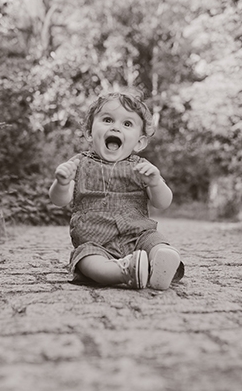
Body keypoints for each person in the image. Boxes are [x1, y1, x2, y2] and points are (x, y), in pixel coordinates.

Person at [49, 91, 184, 290]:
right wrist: (61, 183)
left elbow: (162, 203)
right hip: (94, 242)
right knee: (87, 260)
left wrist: (155, 183)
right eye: (107, 120)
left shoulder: (143, 168)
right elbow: (59, 200)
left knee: (156, 242)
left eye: (127, 124)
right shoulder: (78, 164)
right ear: (89, 132)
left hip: (139, 236)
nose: (115, 127)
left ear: (139, 142)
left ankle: (159, 261)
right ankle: (124, 271)